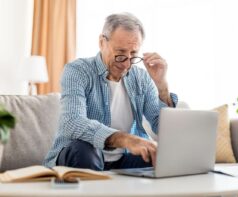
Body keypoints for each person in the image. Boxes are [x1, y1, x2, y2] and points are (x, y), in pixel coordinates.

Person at [44, 12, 178, 171]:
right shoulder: (77, 71)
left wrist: (162, 86)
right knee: (85, 151)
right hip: (82, 155)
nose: (127, 64)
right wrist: (126, 139)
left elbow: (163, 129)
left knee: (163, 158)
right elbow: (72, 122)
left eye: (133, 55)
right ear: (102, 42)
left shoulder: (141, 78)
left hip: (123, 159)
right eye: (120, 54)